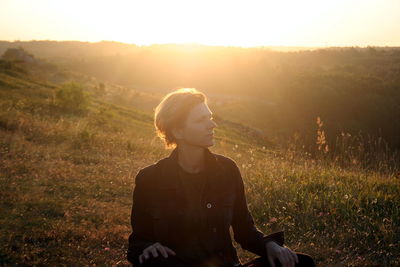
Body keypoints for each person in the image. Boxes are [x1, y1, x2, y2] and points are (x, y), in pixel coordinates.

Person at [127, 88, 316, 267]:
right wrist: (146, 248)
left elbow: (245, 230)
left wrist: (269, 245)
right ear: (178, 131)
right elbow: (137, 243)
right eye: (201, 120)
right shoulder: (150, 179)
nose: (212, 124)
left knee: (302, 263)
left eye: (209, 117)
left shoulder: (227, 170)